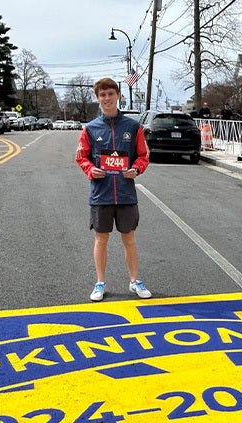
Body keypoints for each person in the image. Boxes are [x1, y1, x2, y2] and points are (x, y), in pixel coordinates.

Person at [75, 77, 151, 302]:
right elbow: (81, 157)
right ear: (98, 98)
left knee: (129, 238)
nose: (107, 98)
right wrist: (91, 170)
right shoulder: (90, 129)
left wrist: (136, 170)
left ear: (118, 95)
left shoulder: (133, 126)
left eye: (110, 94)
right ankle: (100, 283)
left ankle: (134, 281)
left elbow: (143, 156)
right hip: (101, 193)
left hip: (126, 193)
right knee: (101, 238)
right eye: (102, 95)